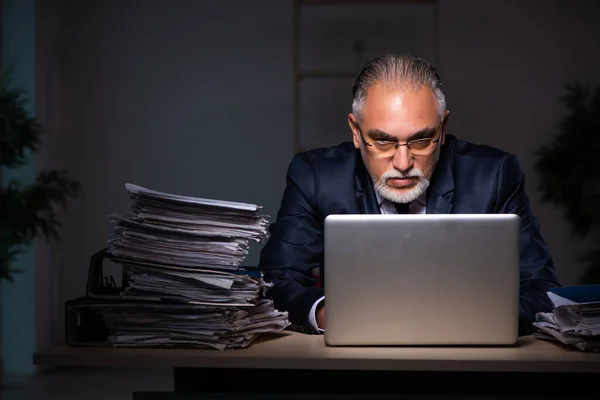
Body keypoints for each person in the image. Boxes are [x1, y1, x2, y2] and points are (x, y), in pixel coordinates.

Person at [258, 53, 560, 336]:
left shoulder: (494, 176)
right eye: (382, 141)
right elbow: (277, 282)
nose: (403, 164)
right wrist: (326, 314)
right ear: (355, 131)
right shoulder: (315, 176)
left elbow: (541, 291)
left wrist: (473, 320)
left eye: (421, 140)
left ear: (442, 130)